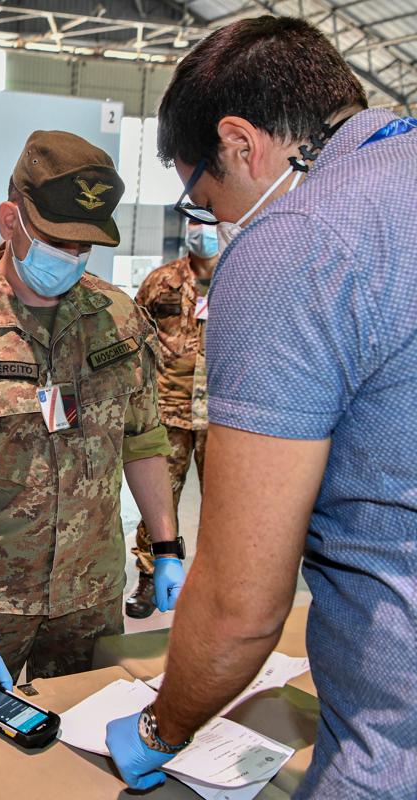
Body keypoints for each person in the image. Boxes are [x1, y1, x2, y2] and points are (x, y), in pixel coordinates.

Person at [104, 18, 417, 798]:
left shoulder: (300, 241)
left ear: (241, 144)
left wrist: (161, 725)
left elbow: (244, 606)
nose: (223, 223)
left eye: (211, 196)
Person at [0, 131, 184, 729]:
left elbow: (144, 441)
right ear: (10, 220)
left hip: (91, 594)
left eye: (85, 246)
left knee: (87, 758)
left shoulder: (118, 318)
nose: (71, 257)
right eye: (56, 240)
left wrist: (166, 548)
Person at [124, 220, 219, 618]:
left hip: (222, 413)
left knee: (226, 504)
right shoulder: (161, 282)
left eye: (210, 221)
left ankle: (218, 586)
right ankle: (149, 577)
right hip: (169, 409)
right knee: (161, 499)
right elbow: (134, 334)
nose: (204, 230)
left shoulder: (242, 277)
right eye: (196, 222)